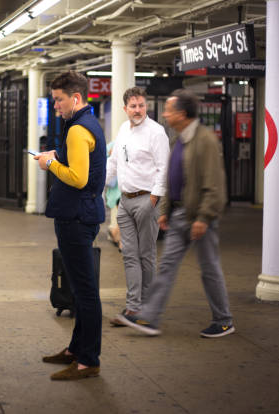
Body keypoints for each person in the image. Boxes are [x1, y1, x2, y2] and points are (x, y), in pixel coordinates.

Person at [117, 89, 234, 339]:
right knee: (167, 266)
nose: (166, 114)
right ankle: (149, 317)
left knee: (209, 269)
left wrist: (203, 218)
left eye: (169, 110)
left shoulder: (205, 140)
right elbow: (173, 177)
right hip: (179, 215)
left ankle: (224, 320)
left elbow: (215, 186)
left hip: (199, 217)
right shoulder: (179, 139)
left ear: (181, 113)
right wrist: (166, 210)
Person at [34, 70, 106, 380]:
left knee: (85, 292)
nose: (56, 106)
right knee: (79, 288)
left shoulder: (78, 130)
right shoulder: (86, 124)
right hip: (81, 215)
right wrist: (57, 155)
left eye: (59, 100)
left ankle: (88, 360)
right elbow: (80, 168)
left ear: (75, 98)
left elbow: (77, 178)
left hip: (76, 218)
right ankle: (76, 349)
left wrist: (50, 163)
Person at [106, 87, 169, 327]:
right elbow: (113, 162)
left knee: (146, 256)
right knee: (129, 255)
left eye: (141, 105)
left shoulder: (156, 132)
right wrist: (99, 187)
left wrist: (154, 199)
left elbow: (163, 168)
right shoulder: (123, 130)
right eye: (133, 106)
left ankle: (147, 309)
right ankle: (133, 308)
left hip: (146, 200)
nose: (138, 110)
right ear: (125, 109)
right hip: (125, 201)